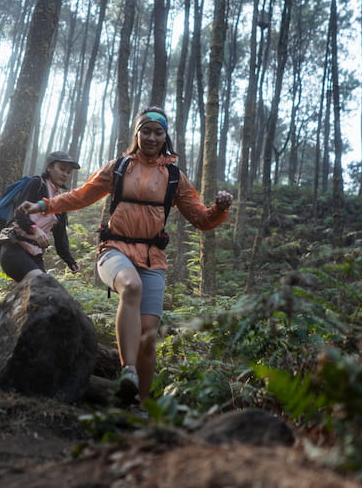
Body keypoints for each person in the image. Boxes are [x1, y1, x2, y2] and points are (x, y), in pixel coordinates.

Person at [17, 107, 233, 404]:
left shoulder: (174, 176)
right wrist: (42, 206)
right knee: (131, 286)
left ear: (165, 136)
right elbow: (80, 196)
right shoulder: (118, 167)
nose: (152, 137)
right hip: (114, 250)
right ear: (137, 134)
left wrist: (220, 208)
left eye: (158, 132)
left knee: (148, 336)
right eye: (146, 131)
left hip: (153, 259)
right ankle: (127, 371)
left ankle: (138, 406)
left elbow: (202, 219)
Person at [0, 151, 82, 283]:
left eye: (69, 172)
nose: (65, 174)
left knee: (45, 290)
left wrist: (70, 261)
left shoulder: (61, 200)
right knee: (40, 283)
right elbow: (20, 214)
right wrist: (35, 229)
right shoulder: (37, 184)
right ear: (49, 167)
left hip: (35, 255)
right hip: (14, 246)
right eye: (62, 169)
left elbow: (60, 236)